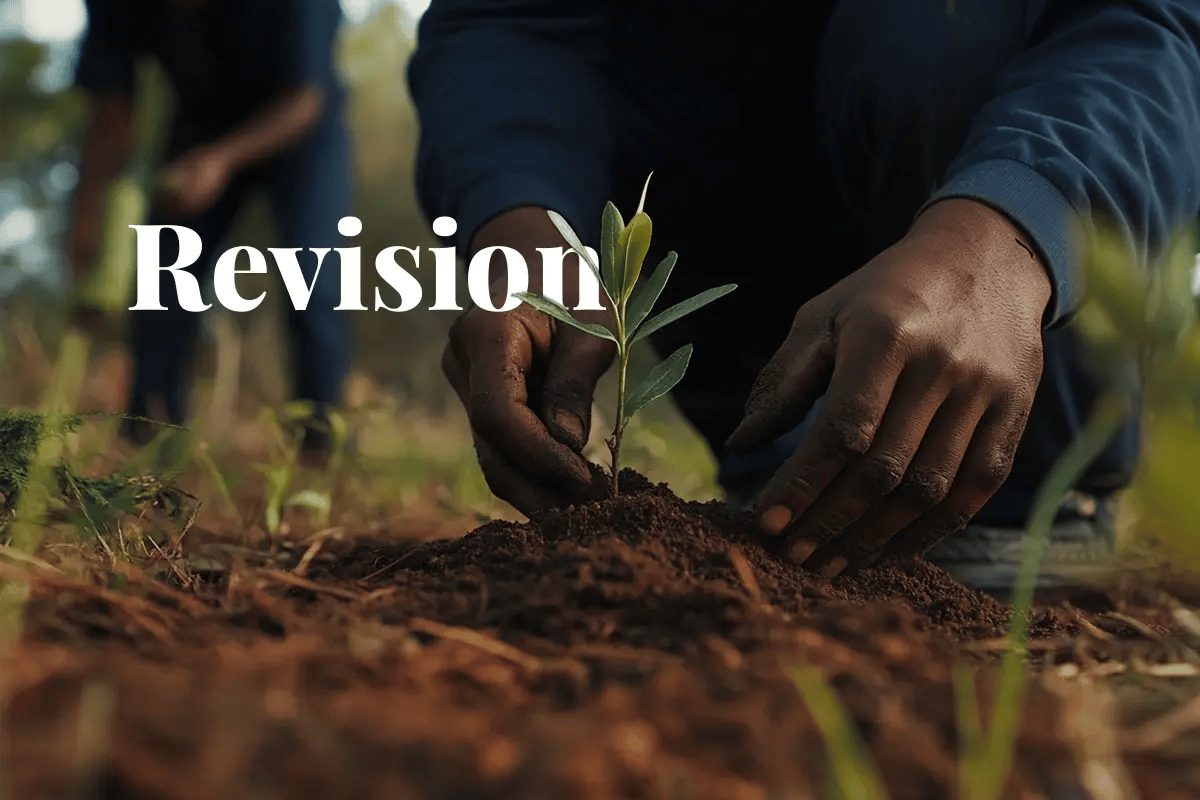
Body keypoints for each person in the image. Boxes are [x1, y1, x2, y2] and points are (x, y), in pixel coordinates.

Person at [406, 0, 1200, 595]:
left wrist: (1014, 225)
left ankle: (1005, 493)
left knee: (923, 30)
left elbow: (1148, 22)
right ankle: (790, 471)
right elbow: (508, 24)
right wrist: (518, 220)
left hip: (1004, 241)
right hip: (738, 226)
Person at [66, 0, 353, 460]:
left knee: (312, 277)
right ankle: (148, 447)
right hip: (198, 125)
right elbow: (112, 113)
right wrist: (86, 218)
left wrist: (221, 160)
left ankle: (322, 448)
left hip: (300, 130)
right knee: (163, 281)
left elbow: (306, 99)